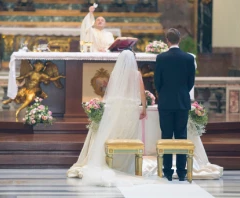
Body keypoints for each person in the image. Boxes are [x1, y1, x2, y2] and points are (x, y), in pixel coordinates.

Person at [67, 50, 148, 186]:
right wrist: (144, 109)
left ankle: (111, 163)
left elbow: (110, 93)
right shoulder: (136, 74)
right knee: (128, 136)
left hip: (116, 108)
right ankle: (126, 167)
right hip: (130, 109)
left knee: (114, 134)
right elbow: (142, 94)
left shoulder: (116, 73)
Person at [154, 28, 196, 181]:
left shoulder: (161, 58)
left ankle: (167, 171)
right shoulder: (188, 58)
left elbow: (157, 81)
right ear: (180, 40)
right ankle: (182, 171)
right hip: (182, 101)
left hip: (165, 101)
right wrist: (182, 92)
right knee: (181, 136)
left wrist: (163, 92)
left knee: (166, 136)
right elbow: (191, 82)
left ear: (167, 40)